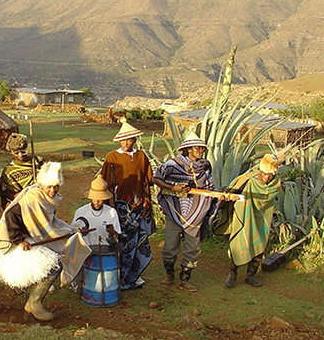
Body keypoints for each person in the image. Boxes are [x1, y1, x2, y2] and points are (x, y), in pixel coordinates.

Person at [0, 162, 91, 321]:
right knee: (53, 266)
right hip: (19, 242)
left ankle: (30, 303)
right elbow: (11, 214)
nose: (52, 190)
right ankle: (35, 302)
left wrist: (72, 231)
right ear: (41, 185)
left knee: (50, 264)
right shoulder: (32, 198)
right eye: (49, 187)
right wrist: (19, 240)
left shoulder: (49, 200)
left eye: (56, 187)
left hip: (33, 238)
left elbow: (49, 223)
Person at [152, 132, 218, 291]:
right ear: (189, 149)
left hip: (196, 213)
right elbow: (155, 178)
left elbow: (210, 189)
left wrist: (218, 198)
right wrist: (172, 187)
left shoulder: (204, 167)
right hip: (175, 210)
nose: (201, 151)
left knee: (192, 248)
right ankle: (169, 274)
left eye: (202, 148)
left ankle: (185, 278)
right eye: (198, 148)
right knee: (170, 246)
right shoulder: (173, 165)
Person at [101, 119, 154, 290]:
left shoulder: (141, 156)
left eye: (129, 139)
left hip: (138, 205)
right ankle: (119, 277)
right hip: (119, 206)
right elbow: (107, 183)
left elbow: (147, 181)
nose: (126, 143)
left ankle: (133, 276)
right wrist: (111, 208)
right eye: (123, 140)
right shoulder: (112, 157)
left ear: (135, 140)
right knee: (122, 242)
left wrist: (146, 201)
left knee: (138, 241)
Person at [215, 154, 281, 288]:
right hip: (244, 215)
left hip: (262, 217)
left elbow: (268, 199)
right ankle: (232, 274)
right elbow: (232, 190)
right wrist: (225, 199)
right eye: (264, 174)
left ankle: (251, 275)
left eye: (270, 175)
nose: (266, 177)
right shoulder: (248, 179)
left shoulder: (275, 185)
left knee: (259, 245)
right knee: (238, 244)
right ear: (260, 171)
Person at [71, 174, 121, 247]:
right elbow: (72, 234)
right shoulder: (81, 212)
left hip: (105, 250)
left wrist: (112, 232)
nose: (97, 202)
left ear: (104, 199)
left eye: (100, 200)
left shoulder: (111, 212)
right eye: (94, 199)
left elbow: (117, 235)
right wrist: (80, 233)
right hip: (86, 250)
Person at [0, 133, 43, 209]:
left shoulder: (36, 161)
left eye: (23, 152)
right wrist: (21, 196)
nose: (20, 155)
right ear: (11, 153)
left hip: (40, 201)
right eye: (16, 153)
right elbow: (4, 193)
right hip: (21, 204)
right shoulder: (8, 171)